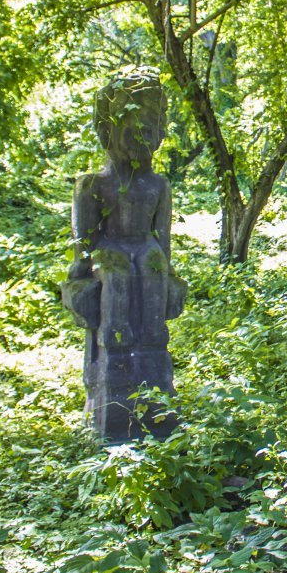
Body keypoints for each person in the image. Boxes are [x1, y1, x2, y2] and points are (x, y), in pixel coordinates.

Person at [63, 75, 185, 440]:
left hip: (145, 250)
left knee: (153, 272)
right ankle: (112, 382)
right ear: (108, 131)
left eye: (149, 128)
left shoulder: (158, 185)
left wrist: (170, 277)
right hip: (111, 251)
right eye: (131, 127)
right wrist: (78, 280)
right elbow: (84, 245)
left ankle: (155, 380)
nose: (141, 136)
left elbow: (162, 240)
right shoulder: (93, 185)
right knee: (116, 276)